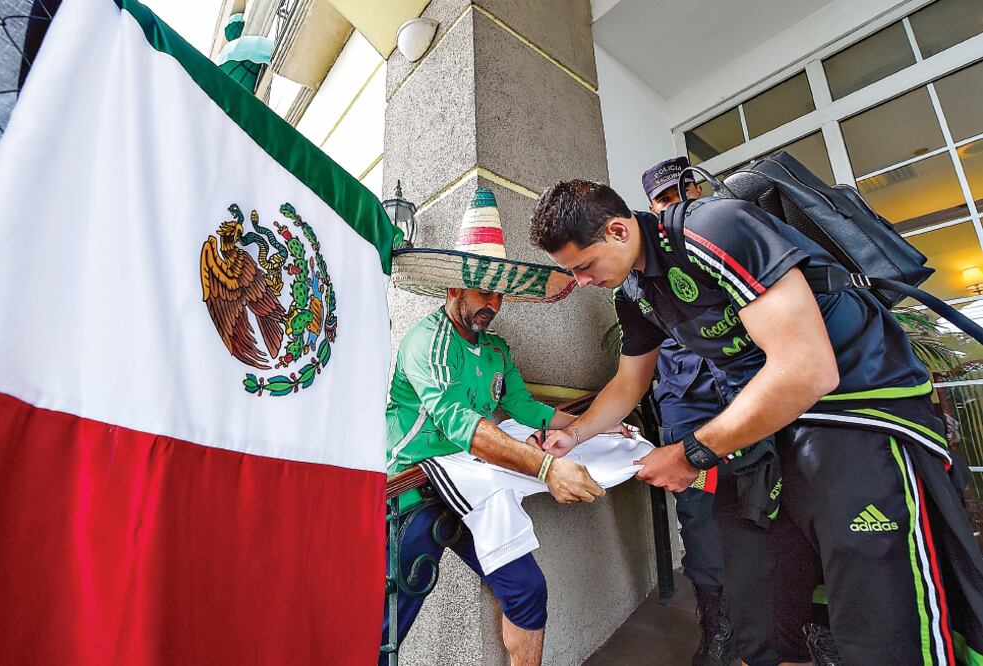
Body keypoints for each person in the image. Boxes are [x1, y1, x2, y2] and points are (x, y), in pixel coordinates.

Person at [529, 178, 983, 665]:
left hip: (855, 412)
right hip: (765, 433)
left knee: (881, 616)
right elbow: (628, 383)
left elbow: (807, 370)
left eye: (584, 266)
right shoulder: (634, 293)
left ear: (618, 231)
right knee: (758, 606)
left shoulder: (713, 227)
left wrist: (689, 454)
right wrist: (572, 434)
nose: (581, 282)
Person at [382, 187, 611, 666]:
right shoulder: (425, 342)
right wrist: (546, 468)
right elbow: (460, 423)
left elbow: (525, 407)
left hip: (473, 484)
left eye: (499, 292)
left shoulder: (497, 349)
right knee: (390, 618)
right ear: (454, 289)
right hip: (413, 489)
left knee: (526, 590)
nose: (494, 303)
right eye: (483, 291)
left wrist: (596, 429)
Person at [644, 158, 735, 666]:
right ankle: (718, 624)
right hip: (686, 401)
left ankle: (798, 616)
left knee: (782, 494)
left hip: (745, 387)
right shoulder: (647, 269)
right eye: (662, 201)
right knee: (699, 510)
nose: (674, 206)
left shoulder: (723, 234)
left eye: (681, 193)